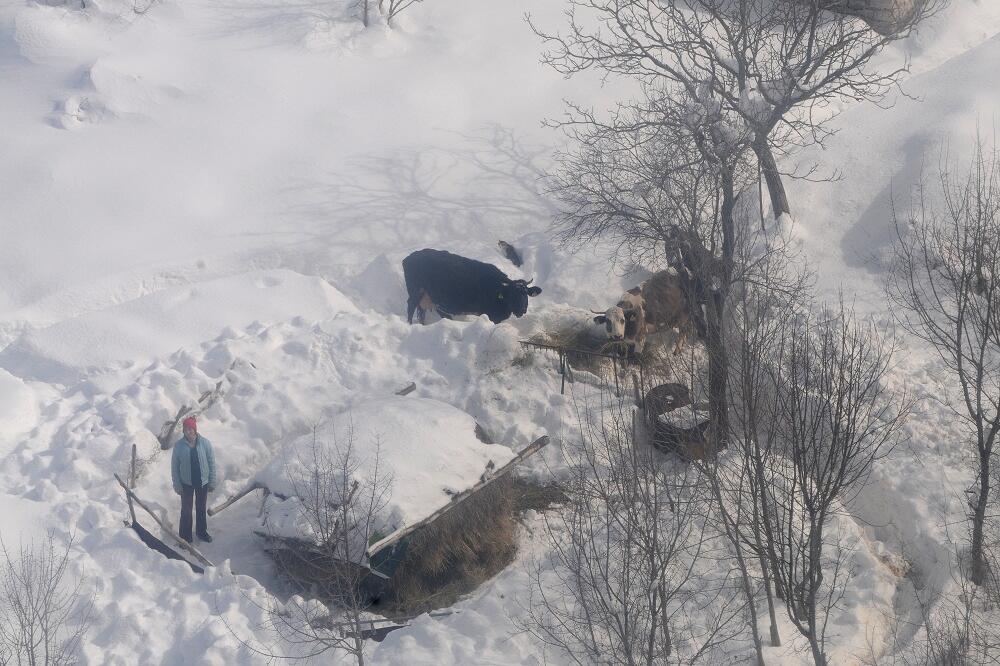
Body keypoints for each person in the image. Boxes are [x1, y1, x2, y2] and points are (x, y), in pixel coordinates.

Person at [170, 416, 216, 543]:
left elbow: (211, 462)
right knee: (186, 510)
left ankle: (201, 532)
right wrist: (177, 485)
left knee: (201, 508)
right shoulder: (179, 446)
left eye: (191, 429)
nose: (188, 431)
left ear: (195, 429)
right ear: (183, 431)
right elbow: (174, 467)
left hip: (203, 482)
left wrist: (212, 481)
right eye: (186, 429)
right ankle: (185, 537)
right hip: (186, 483)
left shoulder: (205, 443)